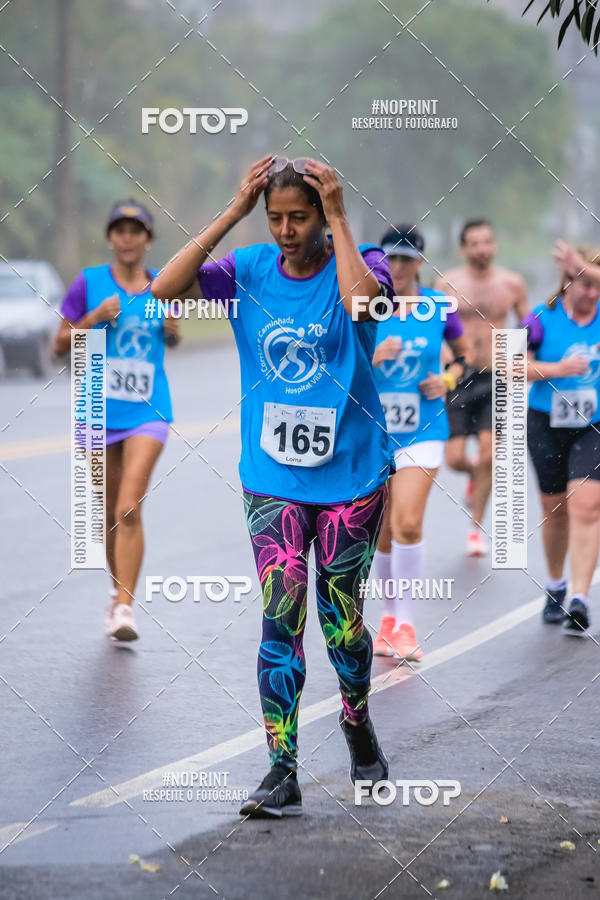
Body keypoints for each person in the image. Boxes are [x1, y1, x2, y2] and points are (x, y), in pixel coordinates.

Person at [152, 154, 393, 818]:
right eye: (276, 218)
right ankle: (281, 769)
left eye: (301, 217)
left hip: (352, 476)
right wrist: (232, 212)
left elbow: (361, 305)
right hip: (273, 478)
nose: (287, 231)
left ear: (322, 214)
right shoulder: (249, 270)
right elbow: (163, 292)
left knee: (341, 623)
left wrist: (342, 216)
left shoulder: (361, 257)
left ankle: (355, 717)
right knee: (280, 617)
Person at [54, 200, 180, 641]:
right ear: (110, 237)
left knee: (129, 506)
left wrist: (171, 328)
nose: (128, 237)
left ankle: (125, 608)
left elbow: (174, 335)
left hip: (148, 411)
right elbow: (58, 345)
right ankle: (117, 593)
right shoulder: (88, 284)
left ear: (148, 240)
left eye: (137, 230)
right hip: (95, 410)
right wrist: (91, 319)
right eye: (120, 230)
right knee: (109, 513)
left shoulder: (162, 287)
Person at [371, 225, 467, 661]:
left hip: (424, 430)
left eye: (407, 260)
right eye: (391, 259)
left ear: (420, 263)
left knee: (407, 522)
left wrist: (445, 379)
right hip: (375, 433)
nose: (398, 268)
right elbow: (337, 359)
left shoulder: (438, 307)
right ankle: (388, 619)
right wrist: (374, 356)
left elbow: (466, 358)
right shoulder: (365, 305)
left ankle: (406, 624)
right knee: (383, 528)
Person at [435, 219, 529, 556]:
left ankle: (475, 528)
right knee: (455, 458)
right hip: (459, 377)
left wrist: (524, 359)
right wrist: (446, 361)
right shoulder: (446, 284)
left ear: (495, 245)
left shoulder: (512, 283)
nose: (481, 249)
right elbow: (436, 331)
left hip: (496, 377)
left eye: (487, 242)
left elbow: (529, 326)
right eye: (474, 243)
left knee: (490, 454)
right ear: (464, 248)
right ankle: (473, 477)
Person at [522, 245, 600, 634]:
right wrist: (557, 368)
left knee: (586, 505)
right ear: (568, 282)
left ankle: (580, 599)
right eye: (585, 284)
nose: (592, 294)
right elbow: (507, 362)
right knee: (555, 511)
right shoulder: (541, 317)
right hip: (546, 424)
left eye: (596, 286)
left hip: (593, 426)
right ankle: (556, 585)